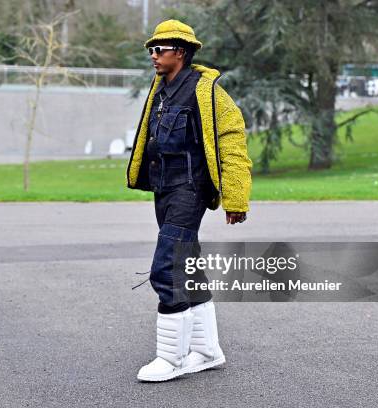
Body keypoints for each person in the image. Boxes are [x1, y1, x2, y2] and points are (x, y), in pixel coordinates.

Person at [126, 19, 253, 382]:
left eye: (160, 49)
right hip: (164, 189)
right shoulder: (161, 89)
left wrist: (235, 198)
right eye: (150, 49)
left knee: (166, 270)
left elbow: (232, 143)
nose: (153, 55)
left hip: (190, 190)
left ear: (180, 52)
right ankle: (208, 351)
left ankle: (172, 358)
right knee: (189, 267)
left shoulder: (207, 91)